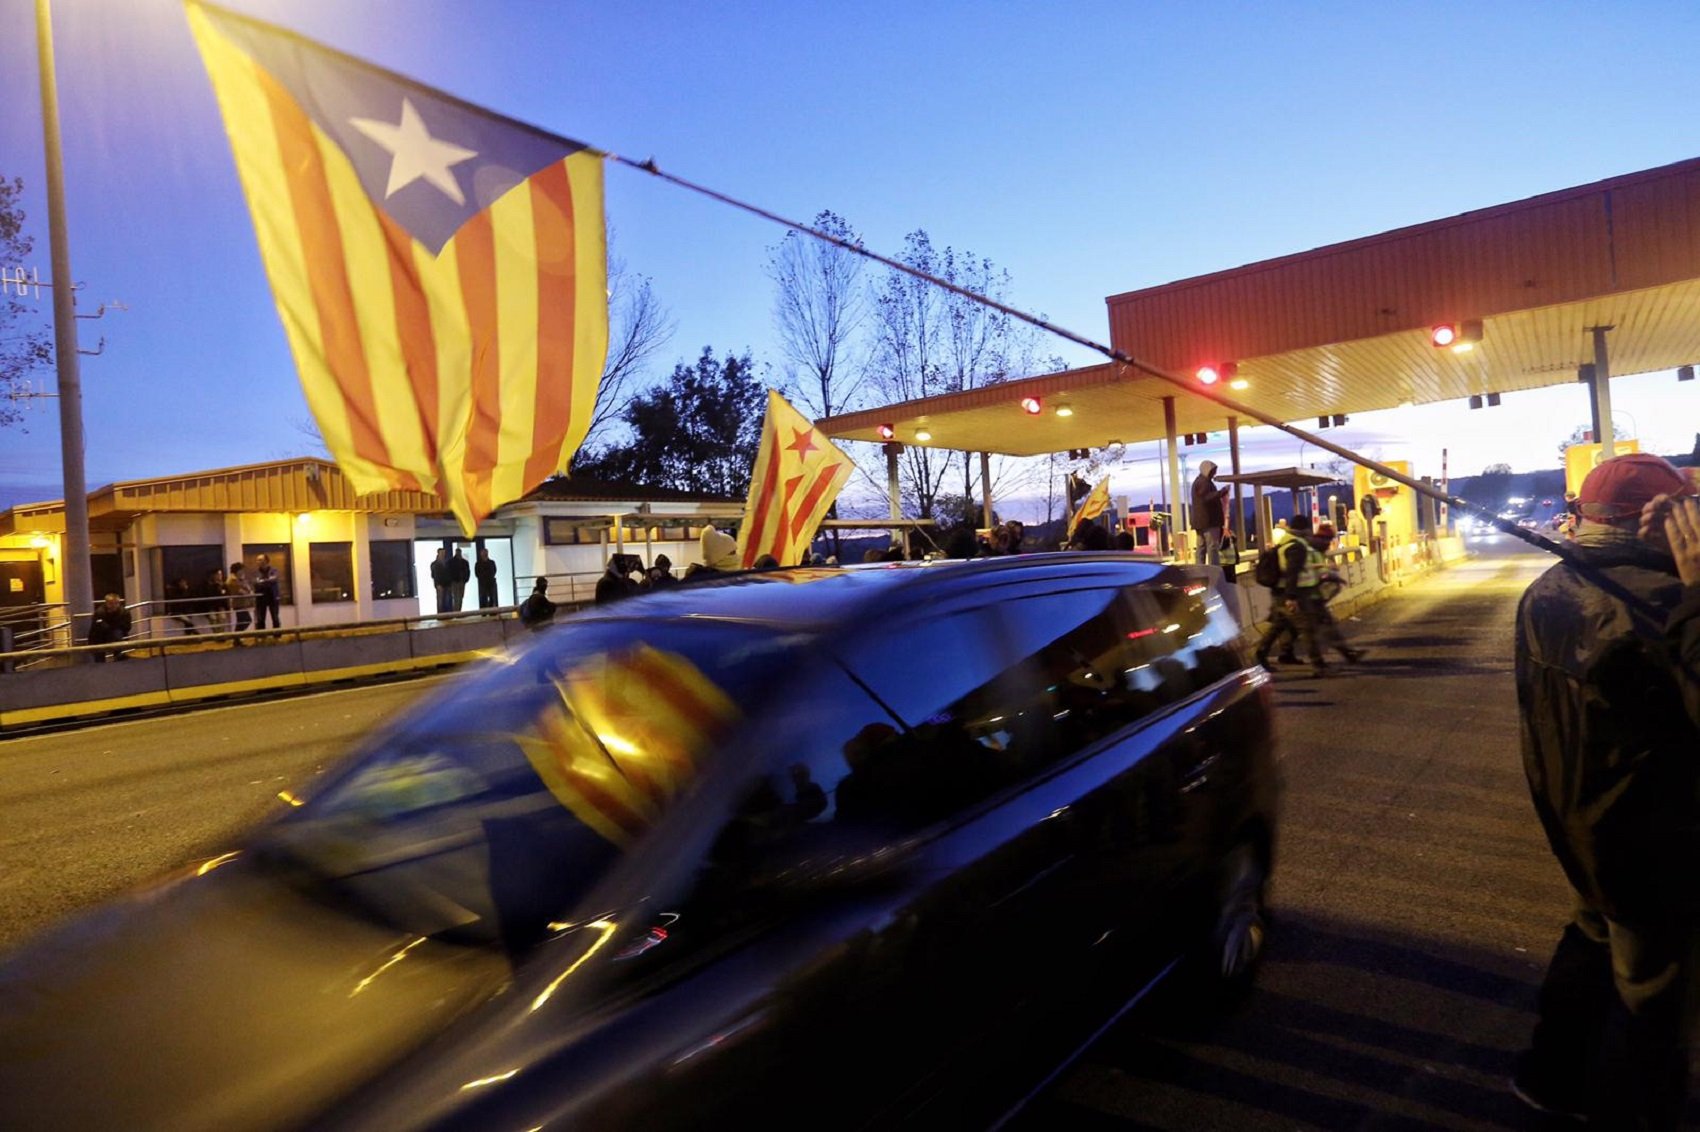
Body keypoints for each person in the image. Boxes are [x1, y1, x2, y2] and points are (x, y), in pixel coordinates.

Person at [1512, 453, 1700, 1127]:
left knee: (1591, 935)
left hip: (1583, 824)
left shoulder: (1548, 590)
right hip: (1660, 843)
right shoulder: (1663, 607)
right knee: (1653, 1001)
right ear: (1658, 523)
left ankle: (1550, 1074)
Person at [1190, 459, 1232, 565]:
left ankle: (1200, 570)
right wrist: (1222, 492)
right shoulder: (1204, 483)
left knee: (1201, 547)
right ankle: (1214, 570)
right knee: (1212, 547)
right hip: (1209, 521)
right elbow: (1206, 498)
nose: (1214, 473)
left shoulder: (1199, 482)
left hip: (1200, 522)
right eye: (1213, 471)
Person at [86, 593, 131, 661]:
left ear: (119, 603)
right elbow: (96, 629)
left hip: (116, 636)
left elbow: (127, 627)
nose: (114, 606)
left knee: (117, 634)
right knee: (99, 658)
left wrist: (111, 627)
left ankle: (119, 657)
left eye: (116, 603)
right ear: (106, 603)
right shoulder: (100, 612)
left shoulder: (124, 612)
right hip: (100, 637)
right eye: (111, 603)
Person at [252, 554, 281, 631]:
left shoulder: (274, 570)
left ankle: (277, 636)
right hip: (261, 598)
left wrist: (262, 582)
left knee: (275, 617)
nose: (257, 561)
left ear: (266, 561)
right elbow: (255, 583)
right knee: (260, 619)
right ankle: (262, 637)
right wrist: (267, 581)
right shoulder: (256, 572)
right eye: (257, 560)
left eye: (260, 560)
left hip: (272, 597)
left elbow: (274, 579)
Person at [225, 561, 254, 635]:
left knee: (242, 621)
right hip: (238, 604)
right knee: (245, 620)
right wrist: (247, 591)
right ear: (236, 571)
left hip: (243, 603)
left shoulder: (239, 579)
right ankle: (236, 637)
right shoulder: (232, 580)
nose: (242, 572)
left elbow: (248, 589)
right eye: (241, 570)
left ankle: (237, 638)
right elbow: (241, 591)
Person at [429, 548, 450, 614]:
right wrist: (437, 584)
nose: (443, 554)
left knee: (447, 600)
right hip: (439, 585)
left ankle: (446, 615)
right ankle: (440, 615)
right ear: (438, 553)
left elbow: (449, 573)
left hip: (447, 584)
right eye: (442, 553)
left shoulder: (447, 563)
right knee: (440, 600)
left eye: (444, 553)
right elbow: (433, 575)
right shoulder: (434, 564)